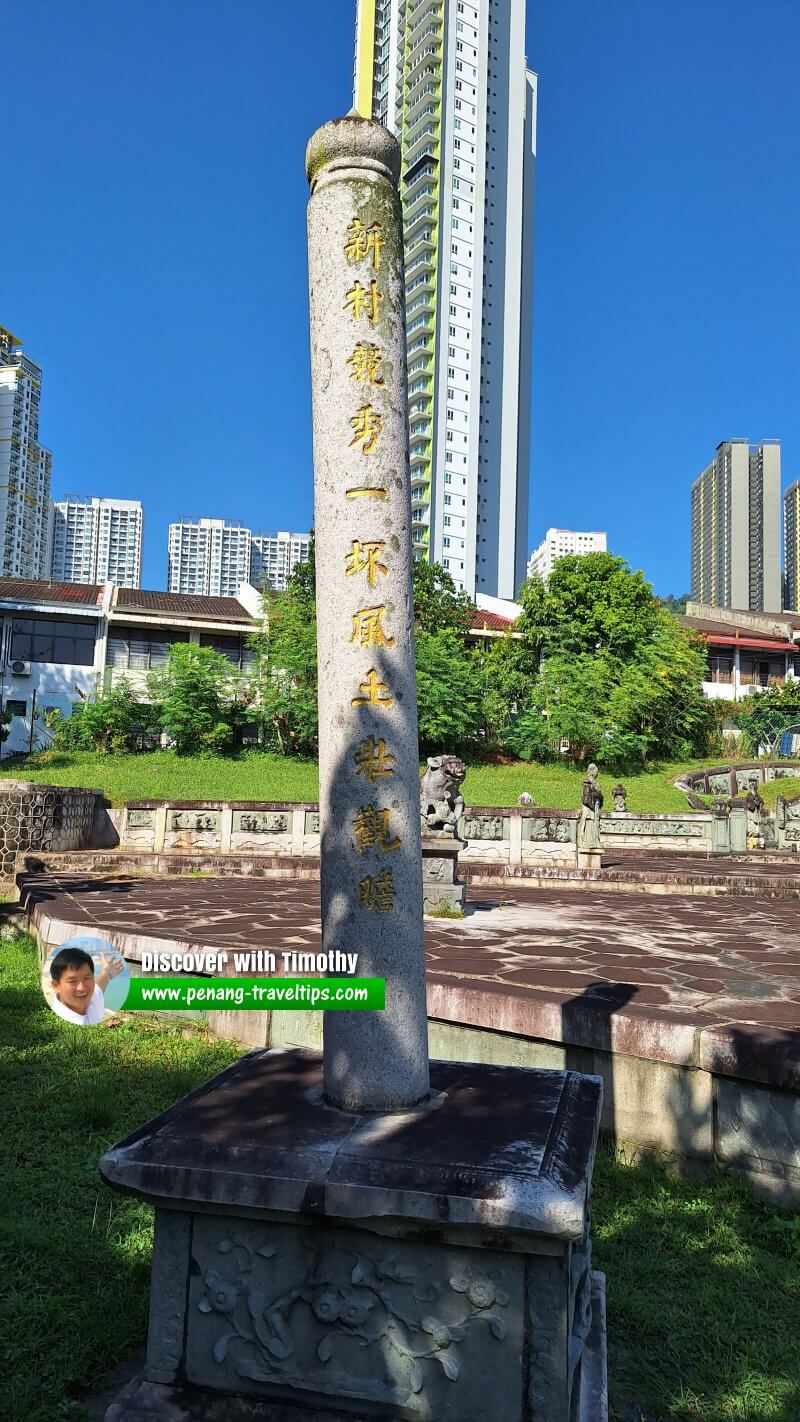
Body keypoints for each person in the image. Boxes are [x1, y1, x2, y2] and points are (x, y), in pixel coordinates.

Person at [49, 945, 123, 1026]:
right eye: (72, 981)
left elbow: (98, 987)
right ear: (56, 986)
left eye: (86, 978)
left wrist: (107, 972)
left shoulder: (90, 1000)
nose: (82, 988)